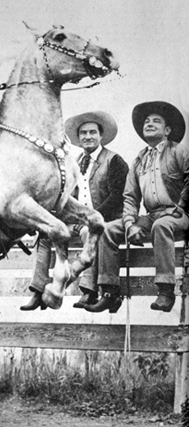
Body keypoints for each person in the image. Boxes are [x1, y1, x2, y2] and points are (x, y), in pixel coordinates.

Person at [83, 101, 189, 314]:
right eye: (147, 121)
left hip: (179, 214)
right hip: (151, 216)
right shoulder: (139, 160)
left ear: (167, 130)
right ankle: (109, 292)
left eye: (156, 121)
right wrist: (130, 223)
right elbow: (130, 197)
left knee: (162, 225)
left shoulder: (178, 151)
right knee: (109, 229)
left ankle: (166, 291)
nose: (149, 124)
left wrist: (181, 205)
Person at [20, 111, 129, 311]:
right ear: (78, 139)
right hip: (77, 221)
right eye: (83, 133)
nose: (88, 137)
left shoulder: (114, 160)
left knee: (90, 233)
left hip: (102, 220)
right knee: (45, 235)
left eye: (92, 132)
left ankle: (88, 291)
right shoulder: (75, 163)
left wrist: (90, 218)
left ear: (101, 136)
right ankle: (38, 291)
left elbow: (116, 198)